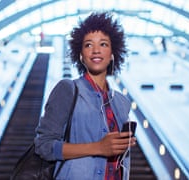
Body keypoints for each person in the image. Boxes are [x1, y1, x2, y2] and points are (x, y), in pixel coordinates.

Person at [34, 11, 136, 180]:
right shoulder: (67, 90)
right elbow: (44, 146)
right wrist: (99, 147)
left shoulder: (121, 103)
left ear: (112, 54)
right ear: (81, 55)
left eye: (103, 44)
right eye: (88, 45)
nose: (96, 50)